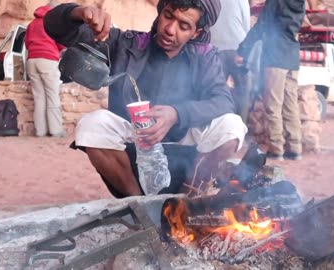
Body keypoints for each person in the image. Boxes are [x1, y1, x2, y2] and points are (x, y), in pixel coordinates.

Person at [43, 0, 248, 198]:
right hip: (134, 142)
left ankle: (187, 200)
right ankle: (138, 202)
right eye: (168, 16)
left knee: (232, 125)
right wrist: (77, 12)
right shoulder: (126, 43)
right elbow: (54, 28)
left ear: (196, 33)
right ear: (160, 12)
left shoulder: (205, 57)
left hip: (186, 146)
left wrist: (177, 114)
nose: (170, 29)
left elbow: (223, 101)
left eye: (183, 26)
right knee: (91, 125)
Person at [237, 0, 305, 161]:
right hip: (292, 56)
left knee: (273, 105)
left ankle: (276, 148)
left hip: (276, 57)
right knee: (291, 104)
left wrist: (243, 49)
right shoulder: (300, 3)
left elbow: (261, 25)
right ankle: (295, 148)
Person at [25, 4, 66, 137]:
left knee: (39, 97)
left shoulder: (32, 24)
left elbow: (26, 43)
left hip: (32, 60)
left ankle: (40, 131)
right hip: (47, 60)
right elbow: (61, 43)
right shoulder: (53, 23)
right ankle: (56, 130)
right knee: (52, 96)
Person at [209, 0, 250, 123]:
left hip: (216, 48)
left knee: (216, 91)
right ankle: (241, 125)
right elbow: (246, 25)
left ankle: (219, 125)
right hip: (238, 49)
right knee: (243, 91)